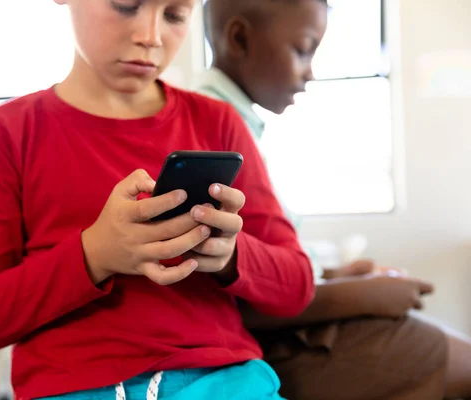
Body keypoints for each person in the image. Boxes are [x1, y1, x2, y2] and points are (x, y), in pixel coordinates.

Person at [0, 1, 316, 399]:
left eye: (174, 15)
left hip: (221, 382)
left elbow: (297, 284)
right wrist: (93, 255)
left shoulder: (217, 123)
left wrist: (231, 255)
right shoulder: (9, 133)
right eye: (126, 5)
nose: (150, 37)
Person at [196, 0, 471, 399]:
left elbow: (261, 258)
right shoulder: (211, 124)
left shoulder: (240, 123)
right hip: (265, 341)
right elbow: (229, 296)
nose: (311, 71)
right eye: (302, 49)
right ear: (239, 38)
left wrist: (329, 275)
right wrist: (364, 296)